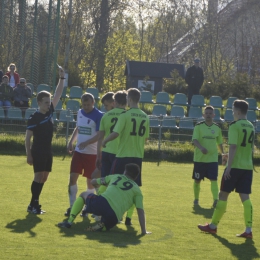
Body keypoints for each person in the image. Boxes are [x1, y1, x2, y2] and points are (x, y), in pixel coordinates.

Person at [198, 100, 254, 239]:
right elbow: (249, 148)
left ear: (239, 111)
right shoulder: (251, 125)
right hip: (247, 167)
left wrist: (228, 166)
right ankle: (248, 229)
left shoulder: (234, 126)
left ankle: (213, 226)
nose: (232, 112)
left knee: (223, 195)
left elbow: (234, 147)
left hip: (234, 167)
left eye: (233, 109)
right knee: (245, 197)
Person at [58, 163, 151, 235]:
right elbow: (140, 211)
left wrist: (101, 187)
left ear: (125, 172)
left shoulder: (116, 176)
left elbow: (94, 181)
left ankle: (69, 222)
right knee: (108, 223)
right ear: (135, 177)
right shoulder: (137, 191)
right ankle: (102, 225)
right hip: (114, 216)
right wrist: (143, 231)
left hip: (102, 203)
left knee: (83, 195)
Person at [102, 88, 149, 225]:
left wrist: (105, 140)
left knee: (113, 184)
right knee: (133, 187)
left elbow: (115, 133)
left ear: (129, 99)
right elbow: (146, 139)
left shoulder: (125, 115)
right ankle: (128, 218)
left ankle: (110, 213)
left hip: (123, 156)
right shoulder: (145, 116)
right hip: (138, 157)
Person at [25, 67, 65, 214]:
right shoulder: (34, 117)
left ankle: (33, 204)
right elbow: (27, 138)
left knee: (44, 177)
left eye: (49, 102)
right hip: (38, 150)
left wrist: (62, 78)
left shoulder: (49, 112)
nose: (49, 104)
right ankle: (34, 204)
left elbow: (58, 94)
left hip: (48, 150)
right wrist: (29, 154)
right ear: (39, 102)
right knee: (38, 176)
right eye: (46, 102)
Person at [64, 93, 103, 217]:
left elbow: (99, 135)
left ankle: (88, 208)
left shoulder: (99, 116)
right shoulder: (80, 113)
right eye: (84, 104)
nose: (86, 107)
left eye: (88, 104)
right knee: (72, 178)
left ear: (93, 103)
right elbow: (78, 128)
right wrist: (71, 141)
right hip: (79, 153)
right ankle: (72, 207)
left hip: (92, 154)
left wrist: (87, 142)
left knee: (91, 182)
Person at [192, 106, 224, 208]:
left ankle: (216, 200)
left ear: (213, 115)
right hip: (200, 159)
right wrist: (201, 148)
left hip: (212, 159)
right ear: (203, 115)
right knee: (197, 180)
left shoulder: (217, 128)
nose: (208, 115)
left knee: (213, 179)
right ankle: (196, 199)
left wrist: (223, 153)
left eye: (210, 113)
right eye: (207, 113)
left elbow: (219, 142)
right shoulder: (198, 126)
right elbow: (194, 140)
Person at [96, 90, 127, 190]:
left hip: (106, 152)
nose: (105, 107)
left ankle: (100, 201)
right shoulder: (127, 115)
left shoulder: (105, 116)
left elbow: (100, 137)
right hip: (119, 153)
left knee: (104, 181)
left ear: (115, 102)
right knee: (117, 182)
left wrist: (98, 155)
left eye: (106, 105)